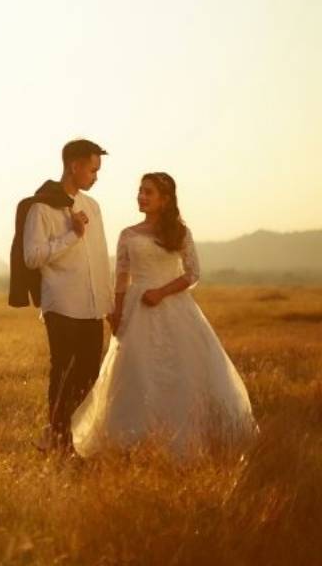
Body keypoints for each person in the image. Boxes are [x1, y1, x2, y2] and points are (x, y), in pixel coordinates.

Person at [71, 173, 256, 459]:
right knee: (135, 372)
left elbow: (193, 274)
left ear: (165, 199)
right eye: (140, 191)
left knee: (185, 372)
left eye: (149, 192)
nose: (141, 196)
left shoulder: (179, 232)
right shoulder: (128, 234)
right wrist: (116, 313)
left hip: (174, 306)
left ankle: (189, 440)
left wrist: (161, 292)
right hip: (137, 309)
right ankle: (132, 443)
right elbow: (121, 277)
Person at [18, 139, 114, 454]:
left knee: (88, 377)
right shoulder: (40, 207)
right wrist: (72, 236)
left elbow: (100, 259)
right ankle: (59, 441)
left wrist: (109, 305)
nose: (96, 176)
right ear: (74, 165)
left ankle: (75, 440)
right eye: (92, 168)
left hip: (92, 308)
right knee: (62, 374)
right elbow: (32, 257)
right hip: (61, 304)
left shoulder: (93, 207)